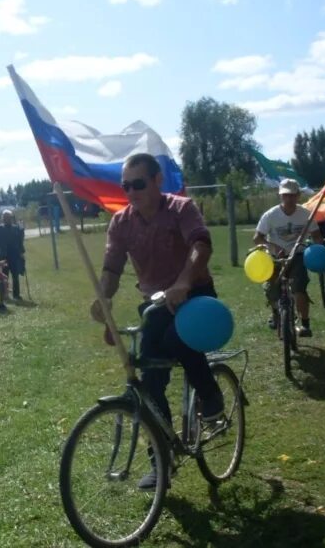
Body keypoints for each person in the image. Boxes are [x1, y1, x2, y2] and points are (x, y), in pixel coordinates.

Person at [93, 153, 224, 490]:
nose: (131, 191)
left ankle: (211, 396)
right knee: (150, 384)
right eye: (125, 185)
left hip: (193, 294)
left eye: (138, 183)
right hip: (154, 304)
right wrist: (104, 298)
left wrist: (182, 281)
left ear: (156, 181)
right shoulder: (121, 223)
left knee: (177, 341)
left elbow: (201, 245)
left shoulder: (181, 208)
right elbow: (111, 269)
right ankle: (161, 461)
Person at [254, 178, 323, 338]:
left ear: (298, 195)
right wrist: (272, 246)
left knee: (299, 289)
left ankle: (305, 323)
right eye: (285, 195)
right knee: (271, 290)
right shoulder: (270, 215)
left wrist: (314, 247)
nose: (289, 198)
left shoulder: (306, 214)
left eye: (292, 195)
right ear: (280, 196)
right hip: (275, 258)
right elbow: (257, 238)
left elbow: (317, 236)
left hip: (297, 256)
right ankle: (276, 313)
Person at [0, 210, 26, 300]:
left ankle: (16, 294)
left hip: (14, 255)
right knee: (4, 275)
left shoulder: (16, 228)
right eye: (5, 218)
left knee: (15, 275)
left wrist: (21, 252)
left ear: (11, 218)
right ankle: (5, 294)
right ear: (2, 219)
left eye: (8, 217)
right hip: (4, 255)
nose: (7, 219)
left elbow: (20, 240)